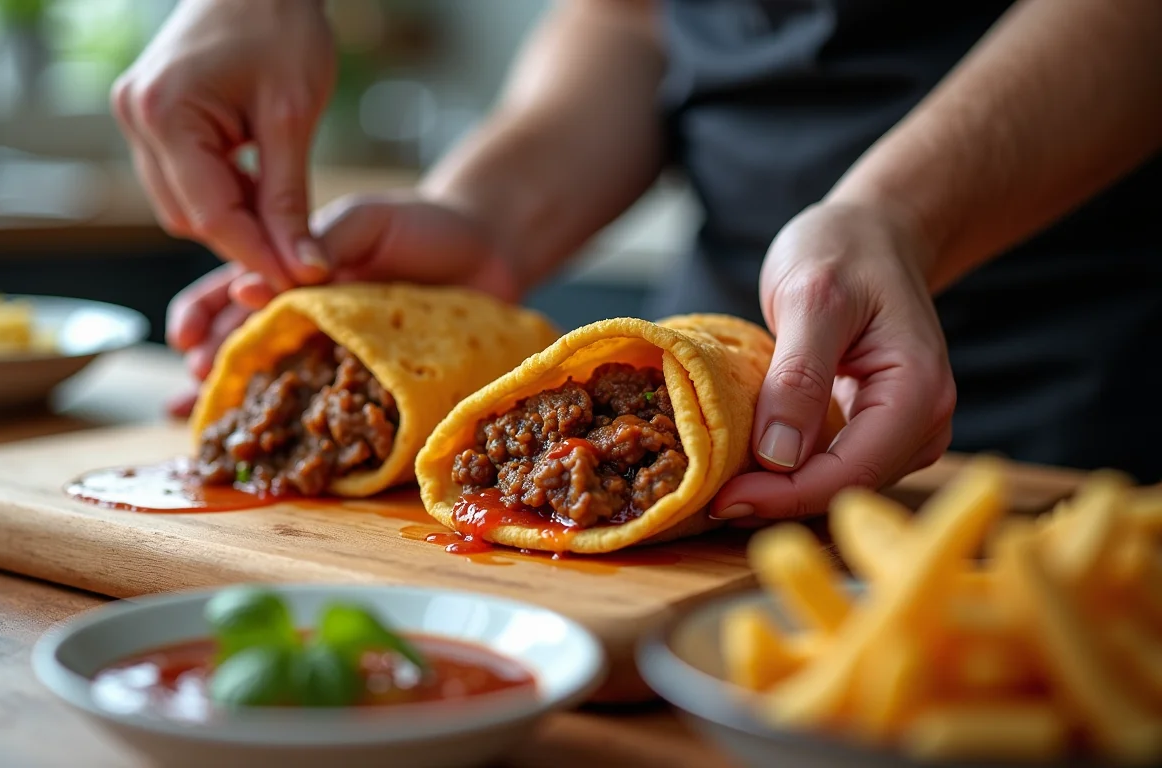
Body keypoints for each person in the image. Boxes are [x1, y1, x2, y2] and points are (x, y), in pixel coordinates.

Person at [110, 0, 1162, 525]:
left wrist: (896, 216)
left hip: (1071, 401)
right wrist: (484, 218)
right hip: (725, 364)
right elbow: (630, 16)